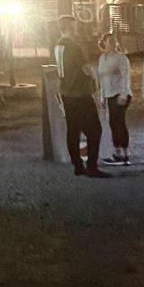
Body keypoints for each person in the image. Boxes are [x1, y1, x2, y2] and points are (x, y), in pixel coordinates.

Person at [56, 16, 106, 177]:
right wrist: (94, 75)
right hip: (80, 93)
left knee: (73, 130)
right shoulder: (74, 47)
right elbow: (86, 69)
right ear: (70, 27)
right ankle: (92, 166)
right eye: (75, 26)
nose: (77, 30)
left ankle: (77, 164)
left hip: (66, 92)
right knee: (95, 130)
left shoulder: (57, 45)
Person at [97, 33, 132, 164]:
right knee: (113, 122)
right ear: (104, 43)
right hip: (109, 94)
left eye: (114, 40)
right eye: (109, 41)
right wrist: (102, 97)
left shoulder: (120, 58)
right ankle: (117, 151)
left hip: (120, 93)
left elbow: (126, 76)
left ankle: (125, 153)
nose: (112, 43)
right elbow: (101, 78)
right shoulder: (102, 58)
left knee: (119, 122)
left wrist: (124, 94)